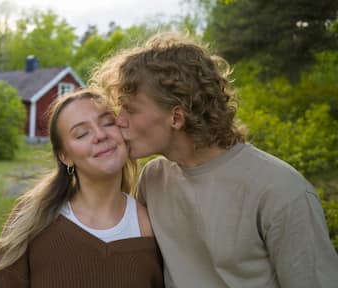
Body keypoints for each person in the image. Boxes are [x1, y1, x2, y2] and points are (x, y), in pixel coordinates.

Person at [91, 32, 338, 287]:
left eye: (130, 110)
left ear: (176, 118)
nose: (119, 121)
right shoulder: (154, 178)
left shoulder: (281, 190)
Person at [0, 89, 164, 288]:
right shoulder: (31, 219)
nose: (100, 135)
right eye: (81, 134)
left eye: (108, 123)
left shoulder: (152, 225)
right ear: (65, 157)